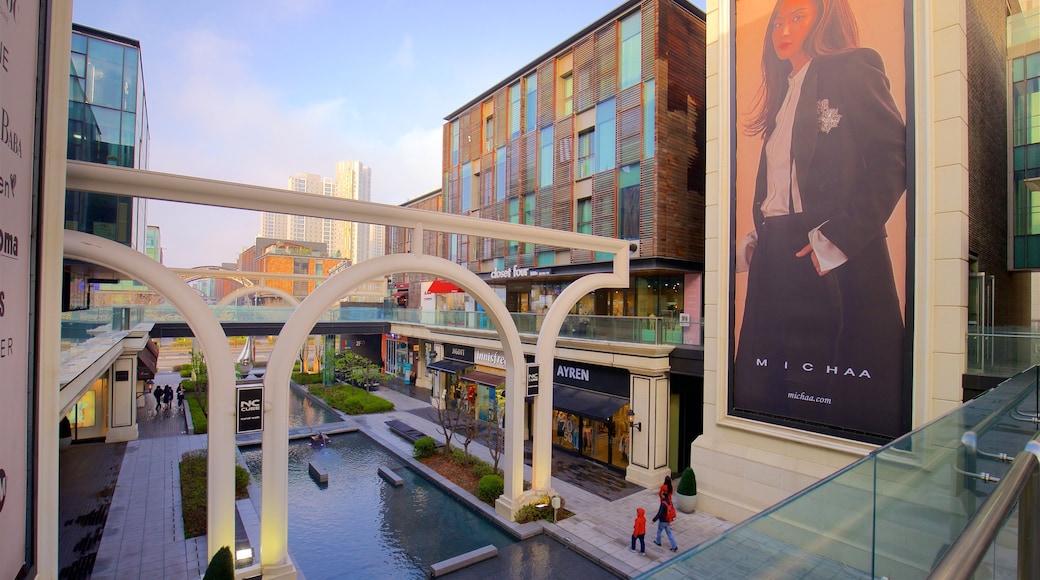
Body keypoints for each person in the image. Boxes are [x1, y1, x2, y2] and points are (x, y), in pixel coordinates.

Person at [734, 0, 906, 432]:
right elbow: (782, 188)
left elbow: (893, 162)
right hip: (777, 256)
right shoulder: (783, 95)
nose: (783, 29)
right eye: (777, 21)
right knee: (763, 390)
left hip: (831, 257)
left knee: (842, 400)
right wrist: (758, 238)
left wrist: (838, 240)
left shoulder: (854, 67)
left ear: (823, 19)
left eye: (797, 17)